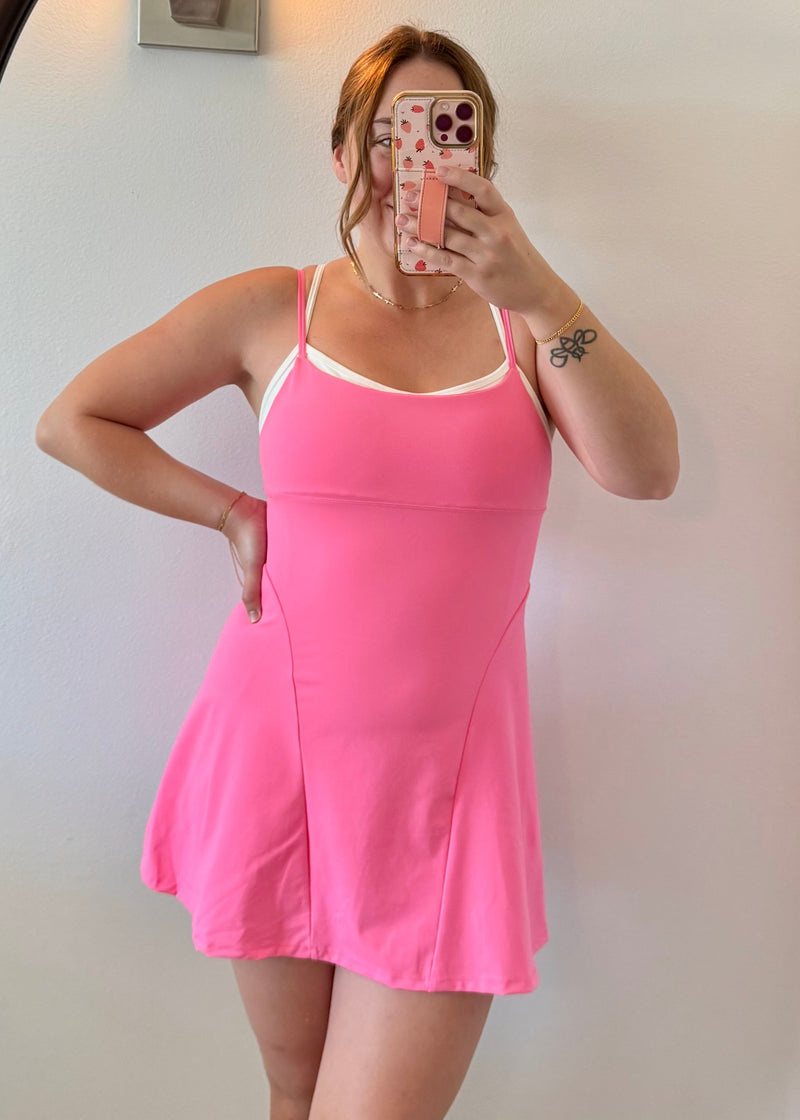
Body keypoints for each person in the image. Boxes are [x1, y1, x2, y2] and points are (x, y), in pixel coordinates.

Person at [35, 22, 679, 1120]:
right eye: (387, 134)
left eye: (443, 132)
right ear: (342, 153)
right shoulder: (271, 309)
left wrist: (538, 288)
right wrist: (231, 511)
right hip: (274, 763)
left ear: (479, 155)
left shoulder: (525, 328)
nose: (411, 159)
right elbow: (74, 421)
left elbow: (647, 469)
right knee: (293, 1095)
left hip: (446, 801)